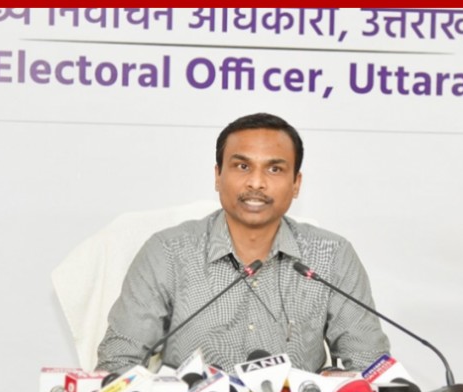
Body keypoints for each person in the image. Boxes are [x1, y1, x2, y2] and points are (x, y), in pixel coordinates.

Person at [95, 112, 390, 374]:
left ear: (296, 184)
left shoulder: (332, 256)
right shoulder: (168, 252)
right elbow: (118, 363)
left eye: (274, 169)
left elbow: (369, 366)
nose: (256, 183)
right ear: (217, 176)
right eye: (242, 166)